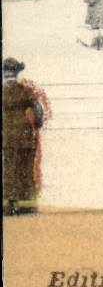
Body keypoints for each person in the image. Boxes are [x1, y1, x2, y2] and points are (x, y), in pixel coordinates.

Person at [2, 58, 48, 215]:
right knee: (25, 169)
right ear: (17, 73)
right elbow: (38, 109)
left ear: (4, 73)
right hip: (24, 135)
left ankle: (8, 204)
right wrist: (38, 124)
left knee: (8, 169)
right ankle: (27, 205)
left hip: (6, 135)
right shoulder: (25, 90)